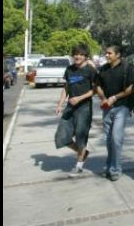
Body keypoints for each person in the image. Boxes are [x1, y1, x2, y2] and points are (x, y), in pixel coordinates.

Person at [54, 44, 98, 174]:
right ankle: (83, 152)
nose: (77, 56)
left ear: (85, 56)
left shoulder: (90, 70)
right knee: (61, 137)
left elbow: (95, 90)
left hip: (84, 108)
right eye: (75, 54)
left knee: (80, 136)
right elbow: (66, 87)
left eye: (80, 54)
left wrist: (80, 98)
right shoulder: (69, 69)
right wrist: (60, 104)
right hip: (70, 107)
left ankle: (79, 165)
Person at [95, 45, 134, 181]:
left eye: (109, 53)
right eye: (106, 53)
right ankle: (110, 165)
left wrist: (115, 97)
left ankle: (115, 169)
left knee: (116, 138)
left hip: (122, 107)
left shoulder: (127, 68)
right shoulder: (103, 69)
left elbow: (130, 88)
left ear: (118, 55)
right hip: (107, 108)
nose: (106, 55)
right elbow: (98, 86)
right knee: (108, 140)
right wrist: (103, 99)